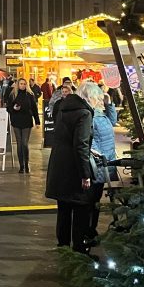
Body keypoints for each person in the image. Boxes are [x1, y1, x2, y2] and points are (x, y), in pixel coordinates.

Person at [45, 79, 97, 252]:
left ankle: (63, 246)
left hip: (59, 165)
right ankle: (79, 250)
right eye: (96, 98)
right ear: (89, 97)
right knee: (81, 208)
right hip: (74, 168)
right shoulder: (84, 113)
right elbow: (80, 145)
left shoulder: (63, 108)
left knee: (64, 209)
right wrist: (85, 174)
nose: (97, 102)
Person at [86, 91, 119, 247]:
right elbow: (90, 140)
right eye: (98, 97)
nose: (100, 99)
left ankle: (91, 229)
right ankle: (89, 231)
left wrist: (109, 103)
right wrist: (99, 156)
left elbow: (113, 121)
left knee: (96, 198)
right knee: (92, 199)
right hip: (100, 164)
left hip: (107, 162)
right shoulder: (90, 115)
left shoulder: (100, 114)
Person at [7, 78, 41, 174]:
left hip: (27, 121)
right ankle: (21, 166)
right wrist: (13, 108)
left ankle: (26, 164)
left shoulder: (30, 95)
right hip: (16, 121)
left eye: (24, 84)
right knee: (19, 143)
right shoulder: (13, 95)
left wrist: (37, 121)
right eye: (21, 84)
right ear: (18, 84)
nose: (23, 85)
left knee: (24, 143)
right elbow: (8, 108)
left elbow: (34, 108)